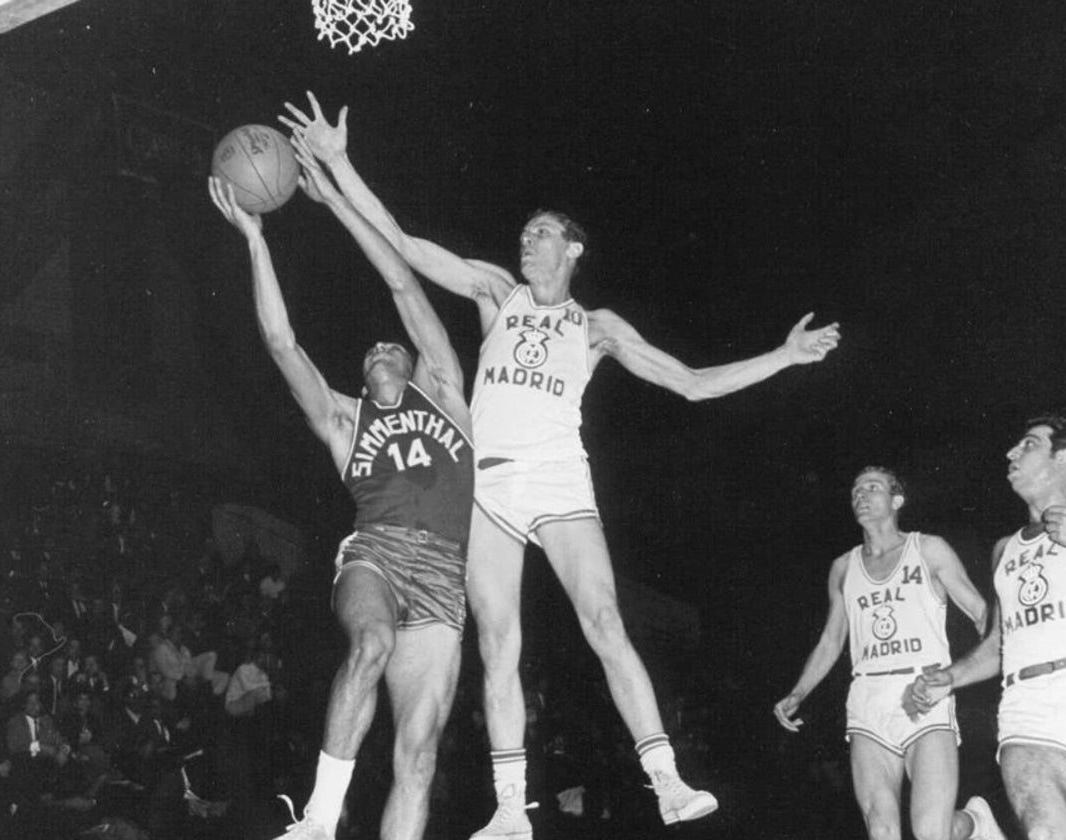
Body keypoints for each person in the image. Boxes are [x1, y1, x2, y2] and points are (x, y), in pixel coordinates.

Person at [280, 92, 841, 837]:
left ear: (573, 250)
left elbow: (693, 384)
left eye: (541, 234)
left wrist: (786, 355)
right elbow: (406, 246)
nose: (527, 243)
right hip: (490, 485)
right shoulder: (496, 294)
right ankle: (511, 812)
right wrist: (341, 162)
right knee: (498, 643)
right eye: (524, 233)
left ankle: (667, 779)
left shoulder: (596, 326)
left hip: (556, 475)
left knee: (604, 618)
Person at [208, 132, 475, 840]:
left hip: (447, 573)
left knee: (417, 758)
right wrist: (255, 241)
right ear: (363, 376)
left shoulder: (447, 394)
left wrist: (333, 203)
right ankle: (321, 819)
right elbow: (281, 344)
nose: (384, 345)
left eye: (395, 344)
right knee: (372, 644)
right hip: (377, 555)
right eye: (373, 349)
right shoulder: (343, 420)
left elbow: (403, 283)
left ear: (416, 362)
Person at [906, 417, 1066, 840]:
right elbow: (1000, 643)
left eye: (1028, 445)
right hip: (1029, 707)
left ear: (1065, 457)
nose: (1011, 454)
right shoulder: (1005, 549)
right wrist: (951, 677)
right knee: (1047, 833)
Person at [773, 467, 1005, 840]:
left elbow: (981, 614)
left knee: (932, 833)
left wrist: (1001, 663)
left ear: (896, 500)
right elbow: (832, 639)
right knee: (881, 829)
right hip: (868, 697)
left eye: (872, 488)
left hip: (923, 691)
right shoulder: (844, 567)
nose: (861, 496)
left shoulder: (928, 548)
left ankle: (974, 822)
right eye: (855, 491)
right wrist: (799, 691)